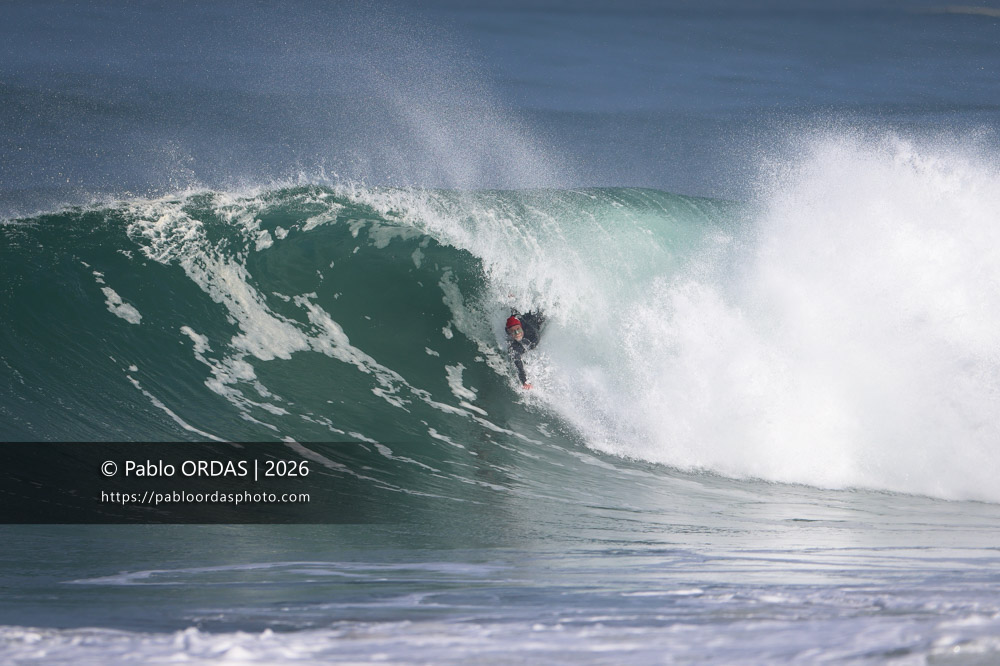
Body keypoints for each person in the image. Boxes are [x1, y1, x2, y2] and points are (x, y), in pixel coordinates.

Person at [505, 310, 544, 390]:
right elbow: (518, 364)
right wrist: (524, 381)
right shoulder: (513, 346)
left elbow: (534, 342)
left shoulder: (533, 334)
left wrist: (523, 342)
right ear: (509, 332)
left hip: (534, 320)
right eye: (513, 331)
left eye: (518, 329)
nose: (517, 333)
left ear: (521, 327)